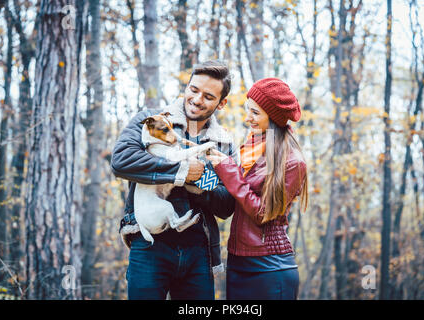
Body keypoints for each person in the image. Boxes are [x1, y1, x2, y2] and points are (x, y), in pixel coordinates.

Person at [111, 60, 238, 300]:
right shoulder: (151, 120)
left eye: (209, 96)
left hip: (199, 250)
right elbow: (122, 161)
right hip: (149, 244)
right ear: (187, 86)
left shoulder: (224, 144)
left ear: (222, 103)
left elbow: (227, 205)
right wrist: (181, 170)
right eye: (194, 89)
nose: (198, 99)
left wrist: (200, 181)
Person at [206, 78, 308, 300]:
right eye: (247, 110)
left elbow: (263, 213)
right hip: (238, 262)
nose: (247, 118)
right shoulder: (250, 148)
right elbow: (234, 199)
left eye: (255, 113)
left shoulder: (292, 161)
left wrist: (229, 171)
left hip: (270, 267)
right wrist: (202, 180)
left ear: (273, 117)